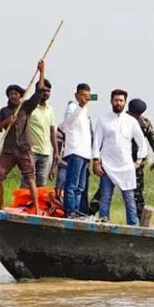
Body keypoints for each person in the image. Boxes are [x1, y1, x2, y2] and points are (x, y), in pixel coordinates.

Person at [0, 59, 48, 211]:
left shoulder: (25, 108)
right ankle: (1, 206)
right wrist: (6, 122)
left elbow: (39, 92)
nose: (13, 96)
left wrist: (41, 72)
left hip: (24, 149)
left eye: (16, 93)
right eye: (10, 94)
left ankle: (36, 209)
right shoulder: (4, 111)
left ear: (20, 95)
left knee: (30, 179)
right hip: (8, 151)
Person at [91, 90, 148, 225]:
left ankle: (133, 227)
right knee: (105, 198)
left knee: (130, 200)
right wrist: (96, 162)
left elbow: (142, 142)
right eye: (116, 100)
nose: (118, 103)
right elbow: (96, 143)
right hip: (107, 166)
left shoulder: (131, 121)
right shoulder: (103, 119)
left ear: (125, 102)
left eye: (121, 100)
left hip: (126, 166)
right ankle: (103, 224)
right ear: (111, 101)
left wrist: (139, 161)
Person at [127, 98, 154, 216]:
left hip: (136, 162)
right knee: (106, 191)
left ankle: (139, 219)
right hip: (121, 160)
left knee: (137, 193)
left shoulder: (143, 123)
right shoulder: (142, 122)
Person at [60, 83, 93, 218]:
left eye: (87, 97)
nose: (85, 99)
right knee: (72, 185)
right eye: (83, 96)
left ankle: (77, 211)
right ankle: (70, 211)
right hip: (75, 151)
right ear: (77, 95)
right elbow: (68, 123)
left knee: (80, 187)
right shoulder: (72, 107)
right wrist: (80, 105)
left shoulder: (85, 111)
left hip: (85, 153)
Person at [28, 77, 58, 186]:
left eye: (48, 91)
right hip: (31, 151)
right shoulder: (30, 107)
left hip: (46, 153)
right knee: (28, 181)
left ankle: (37, 204)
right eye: (43, 90)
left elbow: (52, 131)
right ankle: (21, 203)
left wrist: (56, 152)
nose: (46, 93)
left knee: (41, 183)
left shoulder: (50, 110)